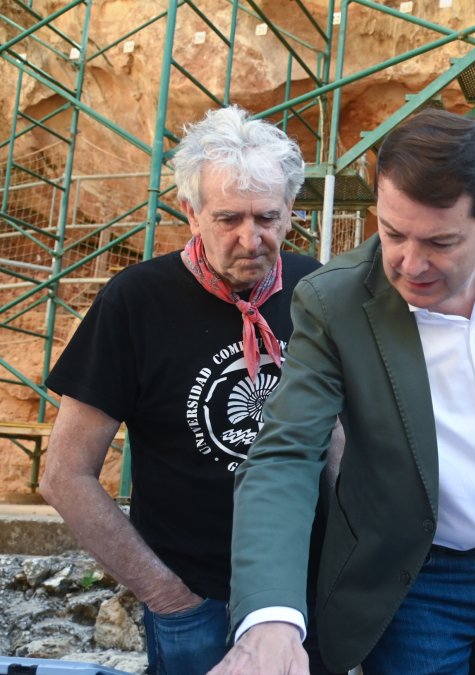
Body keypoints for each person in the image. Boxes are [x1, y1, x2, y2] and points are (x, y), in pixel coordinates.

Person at [208, 108, 475, 675]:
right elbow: (285, 454)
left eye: (439, 242)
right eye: (392, 233)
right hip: (417, 588)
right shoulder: (333, 304)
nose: (410, 263)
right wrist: (271, 618)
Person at [40, 106, 337, 675]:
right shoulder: (135, 303)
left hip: (308, 596)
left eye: (268, 218)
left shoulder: (315, 287)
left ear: (291, 212)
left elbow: (341, 433)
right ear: (190, 212)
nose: (251, 239)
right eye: (228, 218)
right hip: (196, 602)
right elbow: (64, 476)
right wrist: (169, 597)